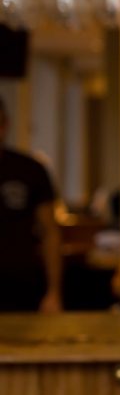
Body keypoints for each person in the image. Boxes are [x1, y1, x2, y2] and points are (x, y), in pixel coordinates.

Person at [0, 96, 62, 313]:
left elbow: (50, 232)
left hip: (22, 285)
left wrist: (54, 291)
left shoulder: (30, 170)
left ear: (5, 125)